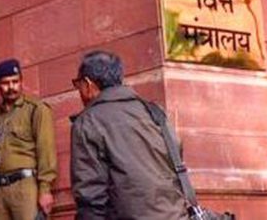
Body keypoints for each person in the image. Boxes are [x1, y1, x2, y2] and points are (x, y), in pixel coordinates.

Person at [70, 50, 189, 219]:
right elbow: (177, 162)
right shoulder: (155, 112)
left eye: (78, 84)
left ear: (88, 84)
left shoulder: (88, 121)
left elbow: (90, 198)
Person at [0, 58, 58, 220]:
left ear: (21, 81)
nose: (11, 87)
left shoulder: (36, 110)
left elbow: (46, 150)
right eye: (5, 83)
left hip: (26, 187)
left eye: (15, 81)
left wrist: (45, 189)